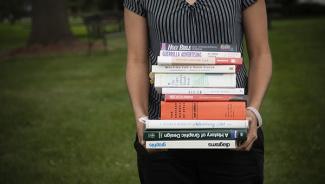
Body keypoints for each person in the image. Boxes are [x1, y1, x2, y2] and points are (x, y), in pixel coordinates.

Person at [124, 0, 272, 183]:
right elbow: (136, 60)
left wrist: (254, 110)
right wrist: (141, 116)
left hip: (234, 132)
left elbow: (261, 53)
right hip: (163, 135)